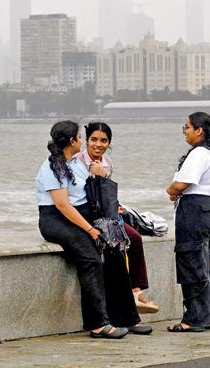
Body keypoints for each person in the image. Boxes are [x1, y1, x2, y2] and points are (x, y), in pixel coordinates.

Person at [37, 121, 150, 339]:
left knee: (115, 251)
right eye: (80, 137)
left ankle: (126, 318)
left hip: (82, 215)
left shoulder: (75, 164)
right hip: (56, 220)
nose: (82, 141)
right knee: (91, 259)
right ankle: (98, 324)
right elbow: (62, 205)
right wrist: (90, 229)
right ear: (72, 141)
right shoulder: (52, 167)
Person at [81, 121, 159, 314]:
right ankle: (130, 296)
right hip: (86, 216)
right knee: (118, 242)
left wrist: (116, 204)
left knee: (135, 238)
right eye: (94, 140)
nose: (98, 145)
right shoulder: (77, 162)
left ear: (109, 143)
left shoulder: (108, 163)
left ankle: (136, 291)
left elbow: (106, 193)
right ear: (86, 140)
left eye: (104, 141)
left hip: (107, 215)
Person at [166, 112, 210, 333]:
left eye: (187, 127)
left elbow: (181, 184)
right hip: (209, 208)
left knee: (192, 264)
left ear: (199, 130)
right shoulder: (209, 153)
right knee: (204, 266)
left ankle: (194, 319)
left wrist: (170, 190)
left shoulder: (199, 153)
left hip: (195, 211)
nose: (185, 132)